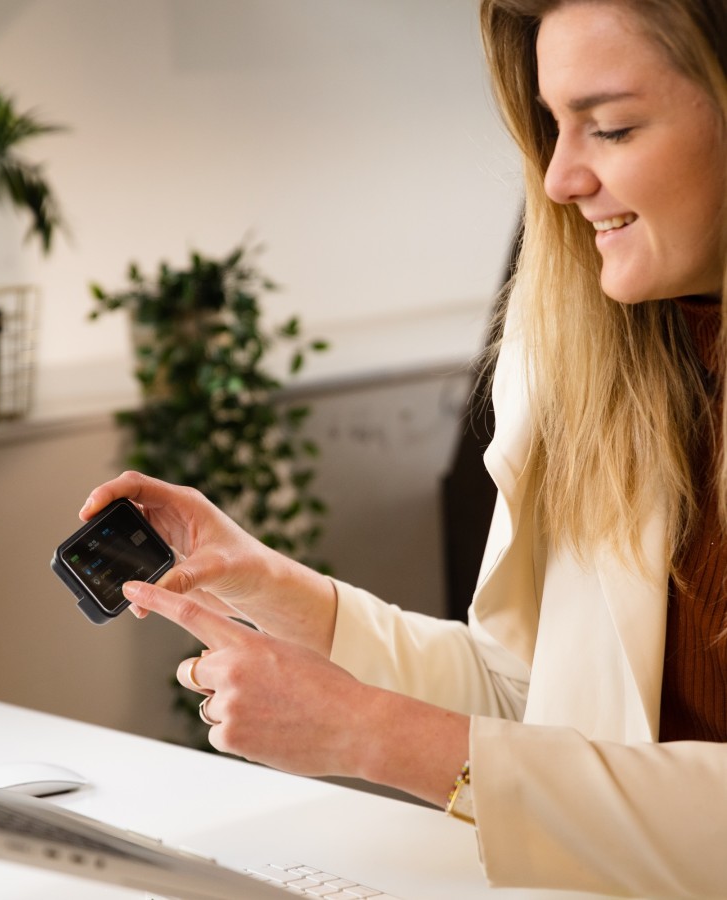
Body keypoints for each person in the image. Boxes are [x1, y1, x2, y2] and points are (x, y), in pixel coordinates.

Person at [79, 0, 727, 895]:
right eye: (552, 126)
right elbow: (532, 701)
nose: (559, 177)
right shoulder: (586, 362)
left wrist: (373, 736)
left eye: (611, 128)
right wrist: (268, 585)